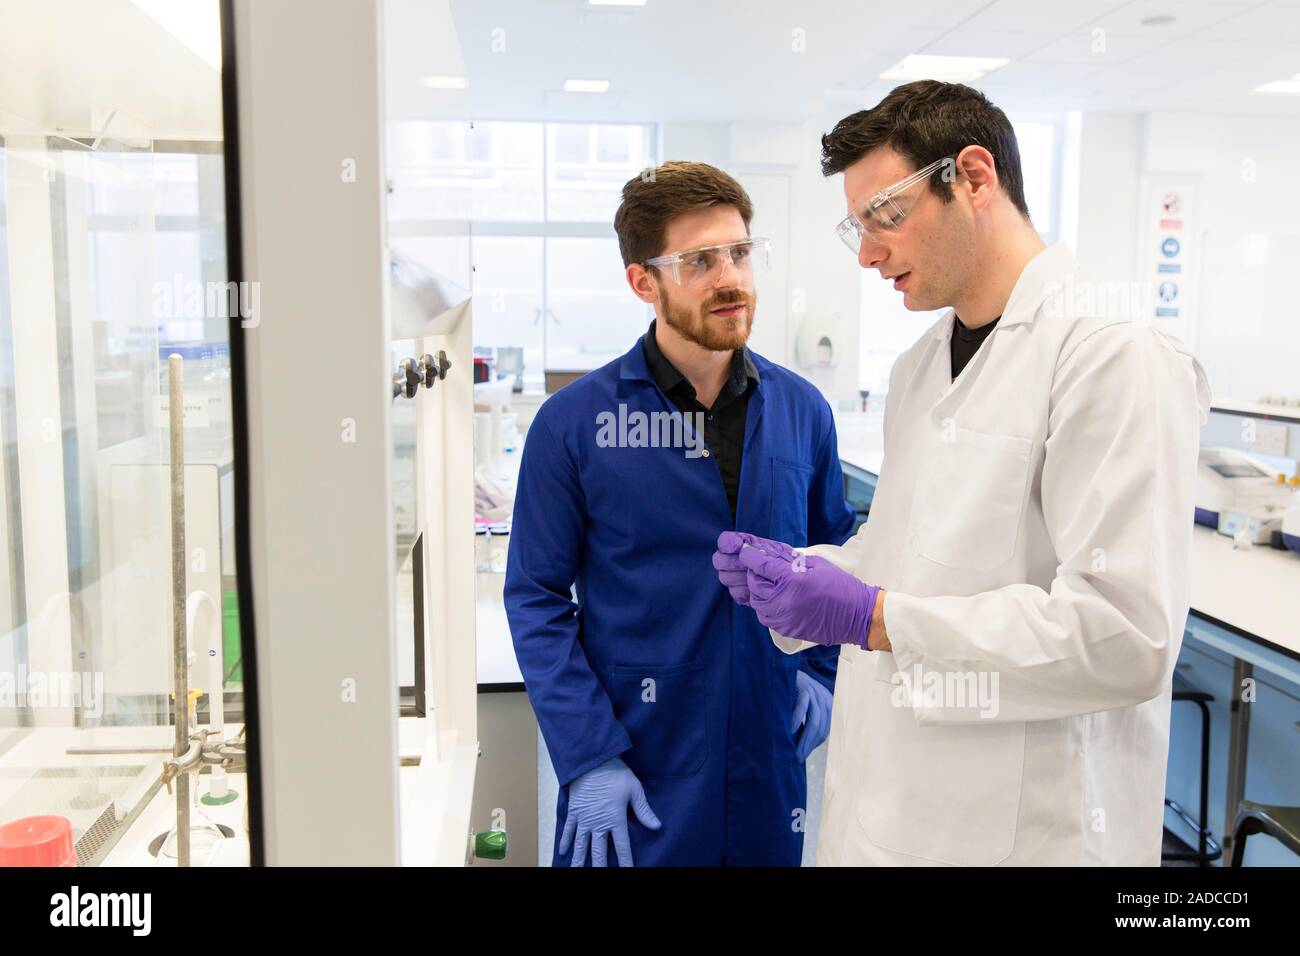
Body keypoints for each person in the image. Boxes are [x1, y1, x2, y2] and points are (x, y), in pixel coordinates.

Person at [714, 80, 1211, 866]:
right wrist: (808, 577)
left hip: (1025, 830)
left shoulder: (1112, 354)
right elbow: (911, 566)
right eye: (857, 229)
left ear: (974, 177)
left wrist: (874, 617)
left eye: (885, 217)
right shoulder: (920, 368)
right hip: (888, 812)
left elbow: (1125, 636)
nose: (870, 253)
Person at [506, 161, 855, 866]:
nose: (730, 278)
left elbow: (836, 563)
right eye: (699, 261)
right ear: (644, 282)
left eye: (739, 253)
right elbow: (536, 600)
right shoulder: (575, 425)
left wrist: (822, 681)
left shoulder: (801, 412)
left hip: (766, 769)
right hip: (632, 776)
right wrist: (588, 756)